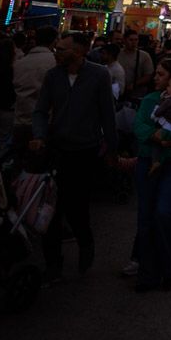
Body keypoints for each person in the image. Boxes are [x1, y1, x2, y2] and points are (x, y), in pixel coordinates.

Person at [31, 31, 115, 279]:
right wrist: (39, 135)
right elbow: (40, 111)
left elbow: (107, 116)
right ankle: (53, 265)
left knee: (77, 208)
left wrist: (112, 149)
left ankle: (85, 245)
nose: (56, 53)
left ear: (79, 52)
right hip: (56, 150)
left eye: (61, 49)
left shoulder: (99, 75)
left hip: (84, 153)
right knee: (51, 211)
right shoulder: (53, 76)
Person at [129, 59, 171, 291]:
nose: (155, 78)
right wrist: (156, 136)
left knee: (164, 212)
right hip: (147, 162)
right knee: (146, 218)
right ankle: (147, 272)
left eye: (161, 74)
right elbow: (139, 127)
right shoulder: (150, 100)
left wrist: (165, 136)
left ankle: (170, 266)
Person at [118, 30, 153, 103]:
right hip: (119, 92)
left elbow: (149, 75)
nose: (134, 42)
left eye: (136, 40)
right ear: (124, 40)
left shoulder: (144, 56)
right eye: (131, 40)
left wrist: (134, 84)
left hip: (136, 95)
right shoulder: (118, 54)